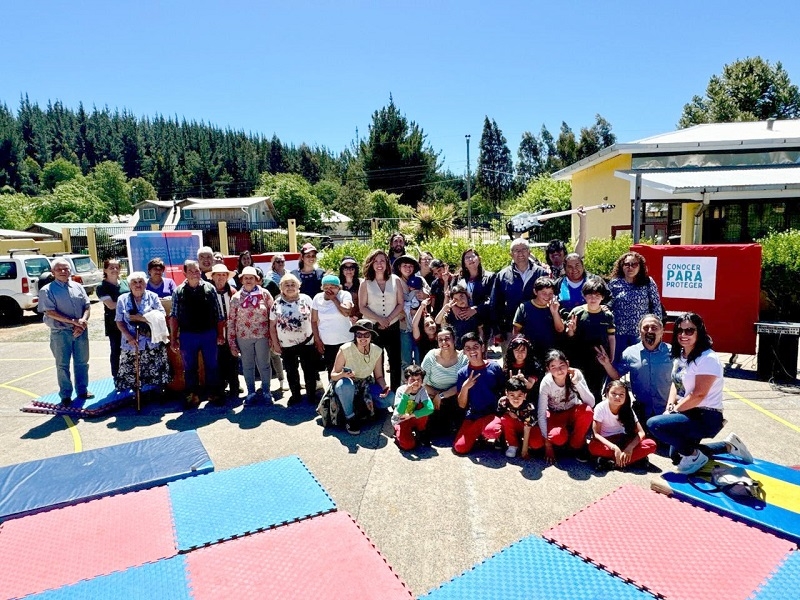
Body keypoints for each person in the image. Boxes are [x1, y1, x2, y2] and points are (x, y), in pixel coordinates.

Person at [646, 312, 754, 474]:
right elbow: (676, 383)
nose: (684, 335)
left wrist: (673, 411)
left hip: (706, 416)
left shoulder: (708, 358)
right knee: (677, 456)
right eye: (680, 331)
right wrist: (670, 404)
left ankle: (695, 455)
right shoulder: (681, 355)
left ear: (699, 332)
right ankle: (728, 446)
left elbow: (699, 395)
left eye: (689, 330)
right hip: (688, 411)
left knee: (655, 425)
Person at [597, 314, 672, 424]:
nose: (650, 331)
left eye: (654, 328)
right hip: (642, 412)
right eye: (645, 328)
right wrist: (606, 364)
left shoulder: (673, 352)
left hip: (667, 411)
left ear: (662, 331)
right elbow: (616, 375)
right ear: (639, 331)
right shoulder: (629, 353)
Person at [170, 259, 224, 408]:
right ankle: (192, 396)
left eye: (197, 271)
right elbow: (173, 317)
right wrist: (174, 339)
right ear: (185, 273)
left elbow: (219, 314)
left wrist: (220, 334)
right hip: (188, 336)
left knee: (212, 365)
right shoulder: (178, 291)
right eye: (191, 271)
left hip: (208, 334)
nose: (195, 273)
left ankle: (214, 393)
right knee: (190, 368)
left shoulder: (210, 288)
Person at [38, 257, 92, 406]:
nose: (63, 271)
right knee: (62, 365)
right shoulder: (47, 290)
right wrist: (73, 322)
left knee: (82, 363)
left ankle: (82, 390)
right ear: (52, 272)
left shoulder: (78, 286)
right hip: (61, 333)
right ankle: (65, 395)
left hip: (80, 331)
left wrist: (82, 321)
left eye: (66, 269)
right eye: (59, 269)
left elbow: (87, 306)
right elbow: (50, 312)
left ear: (70, 271)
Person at [329, 320, 393, 435]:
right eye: (359, 334)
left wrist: (385, 386)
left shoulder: (377, 351)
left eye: (366, 334)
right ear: (355, 335)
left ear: (371, 335)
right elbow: (333, 376)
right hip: (347, 384)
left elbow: (378, 376)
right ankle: (350, 417)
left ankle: (366, 408)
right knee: (345, 385)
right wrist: (343, 375)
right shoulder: (345, 349)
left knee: (390, 398)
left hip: (365, 385)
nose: (362, 338)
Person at [114, 272, 171, 397]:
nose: (138, 285)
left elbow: (162, 314)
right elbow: (119, 321)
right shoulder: (122, 299)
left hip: (151, 341)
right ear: (129, 285)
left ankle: (155, 393)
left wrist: (142, 318)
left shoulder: (153, 296)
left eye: (141, 282)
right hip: (131, 342)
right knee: (133, 371)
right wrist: (129, 337)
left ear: (145, 284)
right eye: (134, 282)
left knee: (155, 369)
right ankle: (137, 394)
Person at [490, 238, 549, 354]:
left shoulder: (541, 273)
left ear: (529, 252)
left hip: (537, 329)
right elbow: (495, 304)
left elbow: (548, 298)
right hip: (510, 331)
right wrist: (497, 330)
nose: (520, 253)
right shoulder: (502, 276)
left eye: (524, 250)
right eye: (516, 250)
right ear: (511, 254)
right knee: (512, 365)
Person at [538, 349, 595, 464]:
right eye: (553, 367)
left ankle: (577, 444)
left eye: (562, 365)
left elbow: (591, 402)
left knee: (587, 411)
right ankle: (563, 442)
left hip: (573, 410)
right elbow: (541, 412)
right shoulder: (546, 383)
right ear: (548, 370)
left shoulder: (576, 374)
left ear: (568, 364)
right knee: (557, 437)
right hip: (555, 414)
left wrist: (577, 383)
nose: (559, 370)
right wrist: (547, 444)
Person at [359, 249, 405, 390]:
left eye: (382, 261)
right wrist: (379, 319)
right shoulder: (365, 283)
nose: (379, 264)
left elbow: (400, 303)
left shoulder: (395, 280)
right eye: (376, 261)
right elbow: (362, 307)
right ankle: (381, 390)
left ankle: (396, 391)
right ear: (371, 264)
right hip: (373, 327)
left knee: (395, 360)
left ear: (387, 263)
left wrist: (388, 319)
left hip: (392, 325)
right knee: (377, 360)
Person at [565, 276, 616, 402]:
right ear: (584, 296)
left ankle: (595, 419)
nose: (593, 298)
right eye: (590, 295)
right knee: (577, 390)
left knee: (596, 392)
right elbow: (569, 335)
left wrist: (611, 357)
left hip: (599, 360)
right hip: (579, 359)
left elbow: (611, 337)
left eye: (597, 295)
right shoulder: (577, 312)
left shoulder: (607, 315)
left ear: (603, 297)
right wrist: (570, 330)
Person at [228, 266, 274, 405]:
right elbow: (231, 320)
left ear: (257, 280)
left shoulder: (265, 294)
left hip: (262, 335)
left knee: (264, 364)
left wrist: (273, 337)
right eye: (246, 278)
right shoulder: (236, 297)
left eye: (251, 278)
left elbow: (273, 315)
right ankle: (251, 392)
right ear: (241, 280)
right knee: (247, 365)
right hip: (243, 336)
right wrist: (232, 342)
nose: (248, 280)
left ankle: (266, 392)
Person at [269, 273, 317, 406]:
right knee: (291, 370)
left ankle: (311, 395)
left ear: (298, 286)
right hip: (286, 344)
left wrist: (318, 338)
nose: (290, 287)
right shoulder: (276, 303)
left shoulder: (306, 299)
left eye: (293, 284)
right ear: (281, 287)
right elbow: (272, 326)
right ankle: (295, 395)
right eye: (286, 285)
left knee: (309, 369)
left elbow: (315, 320)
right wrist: (275, 343)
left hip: (307, 342)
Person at [608, 251, 663, 362]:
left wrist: (657, 329)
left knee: (641, 362)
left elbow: (656, 305)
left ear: (640, 266)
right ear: (621, 266)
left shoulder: (647, 282)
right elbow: (608, 305)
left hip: (640, 332)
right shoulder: (614, 283)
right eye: (627, 264)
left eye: (634, 264)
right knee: (617, 362)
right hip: (619, 331)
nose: (630, 267)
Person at [589, 380, 657, 471]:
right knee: (593, 448)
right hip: (606, 442)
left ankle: (611, 462)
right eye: (614, 393)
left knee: (651, 444)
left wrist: (630, 448)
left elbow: (641, 433)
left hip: (623, 440)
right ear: (607, 393)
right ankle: (631, 460)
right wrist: (614, 447)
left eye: (621, 394)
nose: (617, 397)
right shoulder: (600, 408)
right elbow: (596, 434)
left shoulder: (627, 409)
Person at [453, 333, 504, 455]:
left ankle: (490, 432)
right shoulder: (462, 373)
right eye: (467, 348)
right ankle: (480, 431)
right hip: (474, 415)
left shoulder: (494, 367)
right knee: (460, 448)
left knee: (491, 431)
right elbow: (461, 404)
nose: (472, 351)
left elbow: (503, 391)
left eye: (475, 346)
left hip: (492, 413)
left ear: (482, 347)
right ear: (464, 352)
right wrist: (465, 388)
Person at [421, 326, 467, 433]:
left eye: (447, 339)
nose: (444, 342)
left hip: (454, 396)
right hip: (432, 394)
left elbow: (463, 384)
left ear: (454, 339)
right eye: (440, 340)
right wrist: (438, 395)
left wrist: (443, 395)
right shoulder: (431, 356)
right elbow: (421, 382)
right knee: (434, 429)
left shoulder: (463, 358)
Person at [512, 276, 565, 363]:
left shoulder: (556, 306)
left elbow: (560, 329)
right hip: (531, 352)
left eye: (550, 293)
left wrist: (555, 312)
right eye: (543, 293)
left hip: (551, 352)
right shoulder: (524, 307)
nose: (547, 296)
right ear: (535, 292)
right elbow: (516, 331)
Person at [311, 274, 354, 375]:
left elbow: (347, 312)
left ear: (338, 287)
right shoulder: (317, 298)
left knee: (348, 370)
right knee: (332, 371)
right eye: (326, 287)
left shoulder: (344, 295)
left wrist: (334, 299)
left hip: (345, 341)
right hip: (327, 343)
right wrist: (317, 340)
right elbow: (313, 320)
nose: (329, 290)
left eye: (332, 287)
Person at [210, 262, 240, 401]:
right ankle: (220, 390)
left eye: (224, 275)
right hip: (215, 331)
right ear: (213, 277)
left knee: (233, 359)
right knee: (218, 361)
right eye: (218, 275)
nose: (221, 277)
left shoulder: (233, 292)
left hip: (232, 330)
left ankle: (235, 389)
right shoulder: (208, 292)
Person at [96, 258, 129, 379]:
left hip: (129, 323)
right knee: (116, 351)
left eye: (117, 267)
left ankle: (129, 376)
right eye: (111, 268)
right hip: (113, 324)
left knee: (130, 351)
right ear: (105, 270)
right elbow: (110, 305)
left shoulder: (126, 283)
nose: (115, 270)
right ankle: (117, 377)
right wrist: (129, 305)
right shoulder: (101, 287)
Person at [393, 254, 426, 374]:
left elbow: (429, 295)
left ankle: (420, 384)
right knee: (405, 359)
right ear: (399, 267)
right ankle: (405, 385)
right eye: (404, 266)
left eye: (410, 266)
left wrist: (424, 296)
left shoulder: (420, 280)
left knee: (419, 357)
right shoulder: (394, 281)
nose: (408, 268)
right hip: (403, 326)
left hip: (419, 325)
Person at [498, 374, 545, 458]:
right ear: (506, 393)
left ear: (525, 395)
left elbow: (527, 428)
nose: (516, 399)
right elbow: (500, 419)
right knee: (504, 419)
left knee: (536, 443)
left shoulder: (529, 407)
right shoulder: (502, 402)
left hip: (529, 427)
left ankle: (525, 444)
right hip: (514, 425)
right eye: (512, 395)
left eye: (520, 395)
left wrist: (524, 449)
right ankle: (513, 444)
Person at [392, 364, 434, 450]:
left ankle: (420, 430)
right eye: (412, 380)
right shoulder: (401, 390)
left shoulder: (422, 390)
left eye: (418, 380)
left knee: (423, 405)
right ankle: (398, 430)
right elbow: (400, 411)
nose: (416, 383)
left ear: (422, 381)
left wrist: (411, 416)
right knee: (408, 445)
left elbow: (430, 408)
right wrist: (406, 395)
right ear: (406, 380)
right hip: (402, 418)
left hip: (413, 416)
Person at [456, 248, 495, 339]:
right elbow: (453, 295)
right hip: (466, 321)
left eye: (473, 256)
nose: (470, 259)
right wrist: (454, 307)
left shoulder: (490, 277)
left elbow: (493, 299)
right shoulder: (461, 280)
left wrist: (475, 309)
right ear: (464, 263)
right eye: (467, 258)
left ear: (479, 259)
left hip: (484, 321)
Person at [545, 208, 586, 279]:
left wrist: (583, 219)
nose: (555, 253)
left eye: (558, 250)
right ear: (548, 256)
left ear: (564, 252)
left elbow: (581, 240)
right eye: (551, 251)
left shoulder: (572, 263)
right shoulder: (544, 270)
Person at [436, 284, 481, 349]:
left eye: (461, 296)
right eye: (456, 299)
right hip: (457, 348)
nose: (460, 300)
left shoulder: (473, 311)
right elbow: (437, 321)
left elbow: (480, 330)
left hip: (472, 346)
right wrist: (445, 307)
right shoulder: (452, 314)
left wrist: (481, 345)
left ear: (467, 295)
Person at [502, 335, 541, 401]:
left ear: (527, 351)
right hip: (512, 401)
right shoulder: (508, 366)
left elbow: (529, 386)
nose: (520, 354)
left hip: (530, 400)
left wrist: (523, 380)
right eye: (517, 350)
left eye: (523, 350)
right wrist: (510, 383)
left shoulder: (534, 366)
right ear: (512, 351)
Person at [411, 296, 439, 360]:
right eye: (427, 325)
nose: (430, 326)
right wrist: (422, 307)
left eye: (432, 322)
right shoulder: (420, 338)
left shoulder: (440, 335)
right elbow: (414, 325)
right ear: (423, 328)